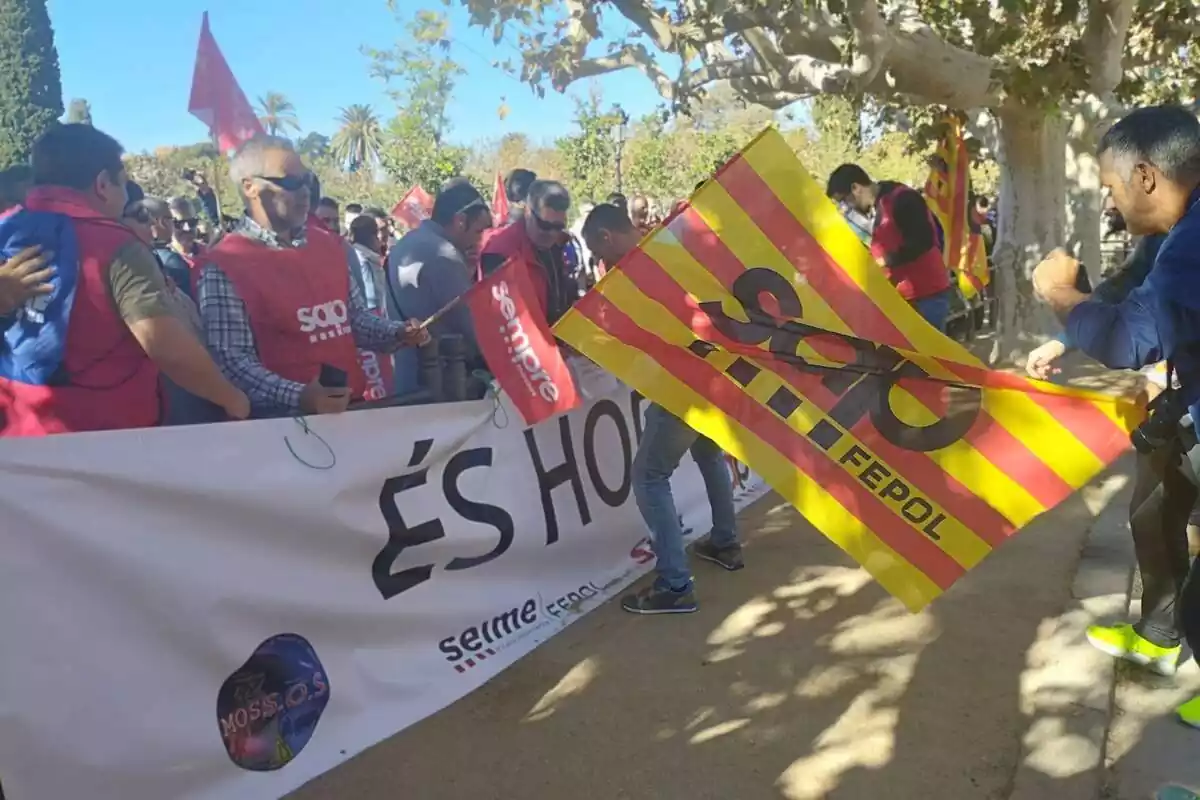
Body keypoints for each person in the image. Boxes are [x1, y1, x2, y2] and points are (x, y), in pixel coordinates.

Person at [1031, 106, 1200, 732]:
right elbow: (1130, 295)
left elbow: (1132, 337)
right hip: (1185, 403)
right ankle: (1159, 632)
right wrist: (1069, 332)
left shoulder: (1191, 241)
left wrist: (1056, 294)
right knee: (1154, 504)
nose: (1110, 204)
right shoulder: (1175, 228)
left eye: (1111, 187)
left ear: (1148, 176)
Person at [0, 124, 248, 436]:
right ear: (103, 184)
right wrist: (230, 397)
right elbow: (166, 346)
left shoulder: (6, 231)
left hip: (17, 432)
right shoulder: (114, 243)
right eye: (124, 184)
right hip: (109, 436)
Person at [582, 203, 743, 614]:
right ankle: (725, 540)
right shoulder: (666, 249)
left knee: (649, 477)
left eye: (598, 251)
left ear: (606, 236)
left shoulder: (637, 269)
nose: (601, 262)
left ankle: (675, 584)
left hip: (682, 382)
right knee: (708, 451)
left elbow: (631, 332)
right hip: (710, 373)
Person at [196, 135, 427, 419]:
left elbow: (353, 319)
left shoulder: (328, 245)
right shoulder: (223, 264)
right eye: (290, 182)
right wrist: (301, 396)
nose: (305, 191)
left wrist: (397, 332)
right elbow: (232, 362)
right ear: (250, 187)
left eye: (307, 180)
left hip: (352, 411)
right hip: (280, 429)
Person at [387, 178, 492, 388]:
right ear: (460, 221)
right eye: (478, 231)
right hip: (442, 386)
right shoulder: (443, 255)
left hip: (407, 377)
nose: (478, 241)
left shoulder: (405, 244)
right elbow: (471, 326)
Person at [827, 164, 953, 330]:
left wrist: (883, 261)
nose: (847, 207)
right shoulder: (877, 206)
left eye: (844, 200)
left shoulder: (902, 198)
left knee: (928, 355)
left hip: (926, 297)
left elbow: (923, 241)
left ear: (856, 188)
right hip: (903, 298)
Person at [481, 180, 580, 326]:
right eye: (545, 225)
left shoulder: (558, 243)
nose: (552, 233)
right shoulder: (500, 251)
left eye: (558, 226)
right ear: (528, 212)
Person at [349, 214, 386, 314]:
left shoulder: (353, 253)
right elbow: (371, 299)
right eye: (376, 232)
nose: (380, 237)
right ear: (369, 236)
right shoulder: (364, 259)